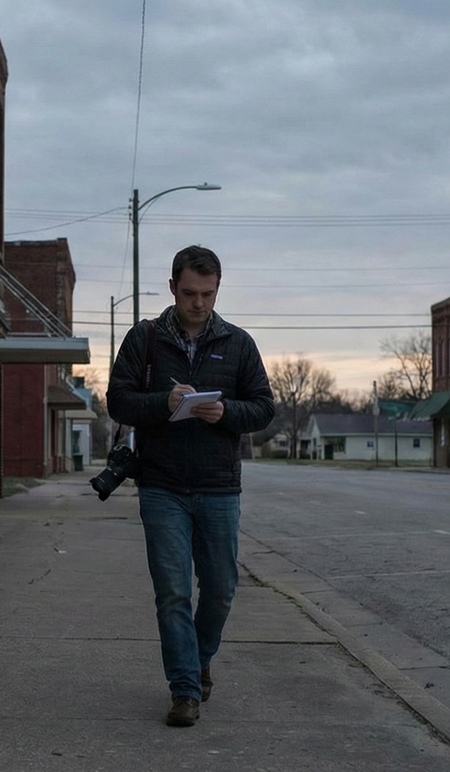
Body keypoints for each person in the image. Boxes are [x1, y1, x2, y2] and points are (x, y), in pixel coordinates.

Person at [106, 245, 276, 727]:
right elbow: (117, 401)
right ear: (172, 288)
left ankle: (198, 659)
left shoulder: (238, 343)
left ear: (218, 289)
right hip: (161, 485)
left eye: (207, 293)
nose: (198, 303)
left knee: (220, 588)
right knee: (173, 592)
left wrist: (226, 413)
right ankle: (184, 689)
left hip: (219, 487)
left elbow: (264, 408)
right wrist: (164, 401)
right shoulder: (145, 339)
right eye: (188, 293)